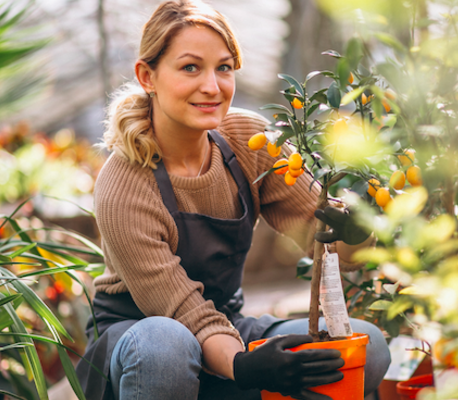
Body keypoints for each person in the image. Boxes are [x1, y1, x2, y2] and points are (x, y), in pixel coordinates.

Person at [74, 1, 391, 400]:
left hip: (227, 326)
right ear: (147, 76)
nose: (212, 86)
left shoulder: (248, 140)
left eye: (223, 68)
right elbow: (182, 313)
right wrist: (246, 367)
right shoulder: (123, 185)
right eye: (191, 67)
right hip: (142, 345)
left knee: (369, 347)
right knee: (166, 345)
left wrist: (355, 232)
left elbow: (325, 242)